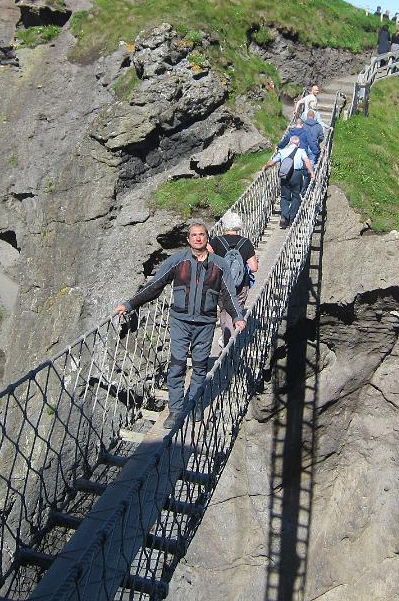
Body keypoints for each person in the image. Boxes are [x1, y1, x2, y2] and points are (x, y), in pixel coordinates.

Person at [116, 222, 246, 428]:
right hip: (180, 322)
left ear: (207, 238)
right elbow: (155, 285)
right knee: (176, 367)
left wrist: (237, 316)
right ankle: (175, 411)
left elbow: (229, 294)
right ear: (188, 239)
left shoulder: (220, 264)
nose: (198, 238)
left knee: (200, 367)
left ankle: (193, 405)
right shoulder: (177, 261)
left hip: (205, 324)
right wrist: (130, 304)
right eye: (193, 235)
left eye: (201, 235)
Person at [207, 212, 259, 347]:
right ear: (239, 225)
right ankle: (233, 336)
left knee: (225, 311)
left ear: (224, 225)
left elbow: (204, 258)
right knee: (237, 309)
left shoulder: (217, 241)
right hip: (241, 284)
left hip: (221, 284)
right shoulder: (245, 242)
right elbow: (254, 268)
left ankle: (227, 341)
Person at [263, 134, 314, 228]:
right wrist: (312, 173)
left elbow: (272, 162)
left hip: (284, 175)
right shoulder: (301, 151)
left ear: (289, 142)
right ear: (298, 144)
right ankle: (291, 218)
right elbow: (307, 161)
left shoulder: (282, 151)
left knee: (284, 197)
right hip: (297, 174)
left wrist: (265, 167)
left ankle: (284, 216)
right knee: (296, 196)